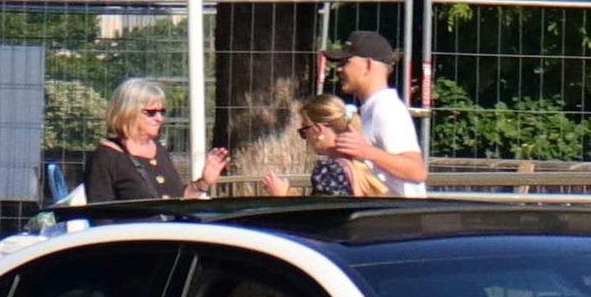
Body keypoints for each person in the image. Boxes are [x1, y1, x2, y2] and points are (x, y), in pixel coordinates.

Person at [83, 77, 230, 202]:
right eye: (150, 113)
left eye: (162, 112)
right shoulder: (105, 156)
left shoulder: (158, 149)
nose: (159, 119)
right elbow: (101, 217)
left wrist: (203, 183)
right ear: (127, 113)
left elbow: (177, 201)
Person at [328, 31, 427, 198]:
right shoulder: (373, 108)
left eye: (345, 62)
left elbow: (417, 172)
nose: (339, 69)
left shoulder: (386, 109)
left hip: (399, 220)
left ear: (368, 65)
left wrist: (367, 152)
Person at [261, 95, 388, 198]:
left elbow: (318, 218)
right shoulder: (360, 165)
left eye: (305, 130)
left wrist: (281, 196)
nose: (305, 138)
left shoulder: (329, 170)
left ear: (318, 130)